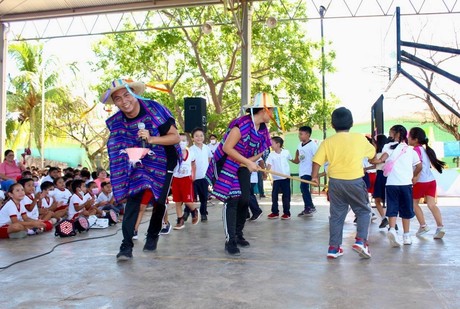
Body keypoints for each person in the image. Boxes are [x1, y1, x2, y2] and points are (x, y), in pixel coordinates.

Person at [101, 78, 180, 261]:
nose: (124, 101)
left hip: (164, 157)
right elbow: (117, 144)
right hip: (137, 159)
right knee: (134, 198)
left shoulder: (153, 109)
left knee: (160, 200)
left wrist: (151, 139)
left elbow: (174, 137)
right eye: (118, 98)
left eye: (127, 95)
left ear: (134, 94)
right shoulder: (117, 122)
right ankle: (126, 246)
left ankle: (153, 235)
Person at [205, 92, 274, 256]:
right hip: (226, 163)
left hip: (242, 164)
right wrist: (248, 162)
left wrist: (250, 161)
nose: (273, 113)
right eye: (271, 109)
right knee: (233, 199)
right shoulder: (241, 125)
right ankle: (230, 240)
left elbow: (261, 151)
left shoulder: (263, 130)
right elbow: (228, 148)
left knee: (245, 199)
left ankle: (238, 233)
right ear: (263, 110)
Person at [311, 107, 376, 259]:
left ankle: (333, 248)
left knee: (336, 215)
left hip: (335, 183)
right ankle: (361, 241)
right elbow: (373, 154)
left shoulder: (328, 141)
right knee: (364, 210)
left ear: (333, 125)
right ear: (351, 123)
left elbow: (316, 161)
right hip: (355, 181)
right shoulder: (359, 138)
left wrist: (314, 177)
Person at [372, 125, 422, 247]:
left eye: (391, 133)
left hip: (391, 184)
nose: (389, 136)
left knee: (392, 208)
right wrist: (414, 176)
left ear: (397, 134)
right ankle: (406, 236)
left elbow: (380, 160)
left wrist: (371, 159)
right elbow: (419, 166)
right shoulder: (411, 150)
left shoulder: (387, 147)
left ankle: (393, 229)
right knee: (406, 210)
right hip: (406, 184)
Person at [408, 127, 446, 239]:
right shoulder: (425, 149)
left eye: (409, 137)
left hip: (421, 181)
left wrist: (415, 177)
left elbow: (418, 166)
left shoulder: (415, 150)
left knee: (413, 204)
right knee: (431, 204)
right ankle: (440, 227)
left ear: (415, 139)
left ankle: (423, 226)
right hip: (431, 181)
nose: (408, 139)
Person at [172, 133, 199, 230]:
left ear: (187, 142)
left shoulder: (191, 153)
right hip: (176, 178)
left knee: (187, 200)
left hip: (186, 179)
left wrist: (193, 175)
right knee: (177, 201)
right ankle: (180, 220)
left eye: (183, 141)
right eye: (179, 141)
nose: (181, 143)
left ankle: (194, 210)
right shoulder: (173, 153)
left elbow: (193, 165)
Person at [291, 126, 318, 217]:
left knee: (303, 188)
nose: (299, 136)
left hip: (309, 171)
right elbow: (297, 159)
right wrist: (290, 159)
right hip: (302, 171)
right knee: (304, 189)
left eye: (301, 134)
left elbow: (316, 159)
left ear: (308, 134)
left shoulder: (313, 145)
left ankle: (310, 206)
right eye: (299, 134)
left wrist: (315, 174)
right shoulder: (299, 145)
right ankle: (308, 207)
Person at [266, 136, 293, 220]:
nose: (270, 145)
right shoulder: (271, 154)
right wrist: (266, 173)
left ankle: (286, 213)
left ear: (278, 144)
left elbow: (292, 159)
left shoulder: (286, 152)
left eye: (272, 143)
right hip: (276, 179)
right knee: (274, 196)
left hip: (286, 178)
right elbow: (269, 165)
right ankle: (275, 212)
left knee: (286, 196)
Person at [190, 127, 213, 222]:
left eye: (201, 135)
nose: (199, 138)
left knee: (204, 197)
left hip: (204, 177)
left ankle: (203, 213)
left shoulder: (207, 148)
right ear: (193, 138)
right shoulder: (191, 149)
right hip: (194, 178)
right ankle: (189, 213)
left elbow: (209, 159)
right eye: (196, 136)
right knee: (192, 198)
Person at [372, 134, 390, 228]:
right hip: (388, 177)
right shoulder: (389, 153)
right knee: (389, 199)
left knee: (377, 200)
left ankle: (384, 218)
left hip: (380, 177)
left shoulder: (378, 155)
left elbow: (375, 162)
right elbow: (376, 165)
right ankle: (391, 221)